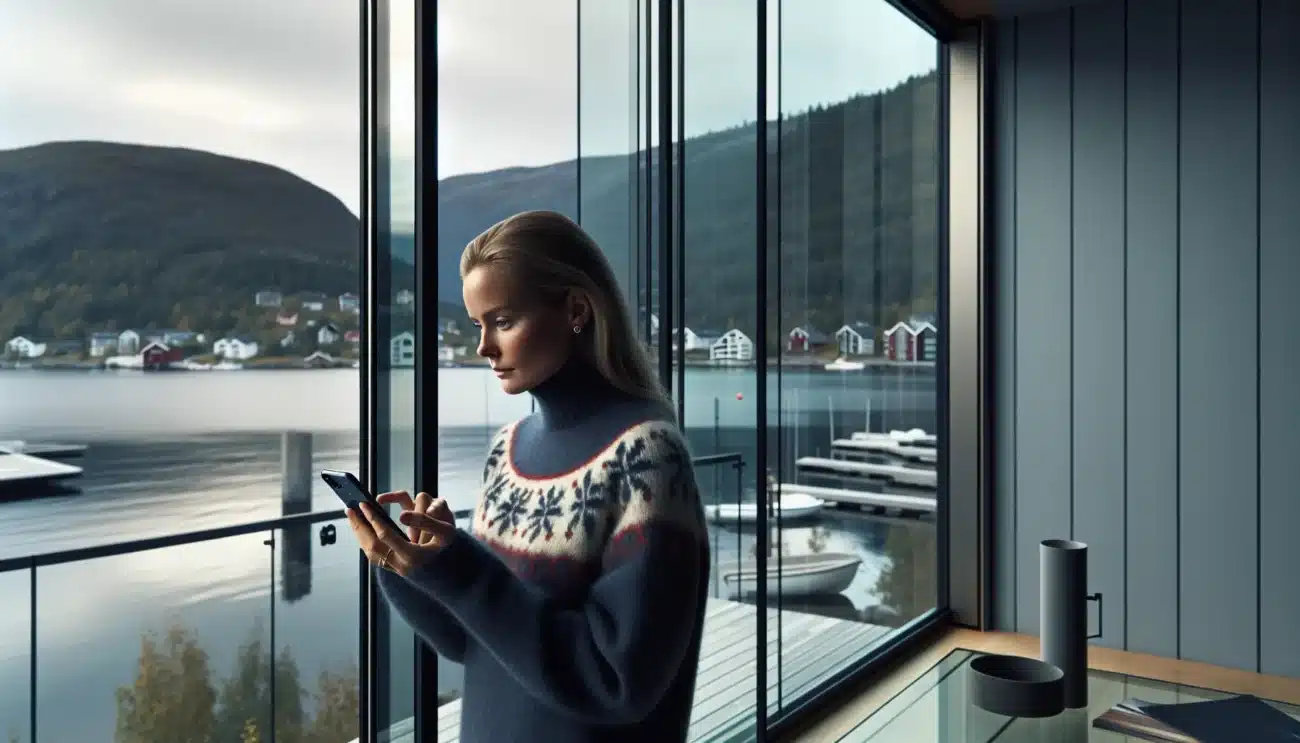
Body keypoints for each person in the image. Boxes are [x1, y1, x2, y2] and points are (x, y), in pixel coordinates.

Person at [346, 210, 711, 743]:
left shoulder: (646, 456)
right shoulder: (506, 449)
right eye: (478, 325)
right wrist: (408, 563)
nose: (483, 347)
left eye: (503, 321)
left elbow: (617, 684)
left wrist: (464, 573)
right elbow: (470, 642)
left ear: (576, 310)